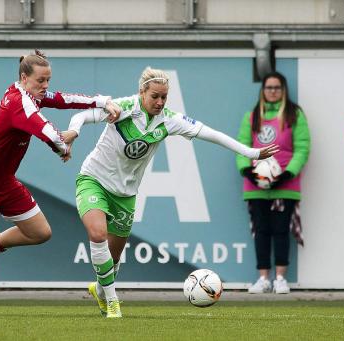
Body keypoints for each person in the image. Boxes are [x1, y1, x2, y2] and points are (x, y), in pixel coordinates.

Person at [63, 66, 279, 318]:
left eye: (164, 97)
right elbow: (84, 116)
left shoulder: (168, 119)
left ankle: (100, 290)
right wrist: (73, 133)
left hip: (126, 193)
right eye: (155, 96)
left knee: (114, 255)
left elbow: (210, 133)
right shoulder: (123, 107)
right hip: (94, 179)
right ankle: (112, 301)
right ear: (142, 92)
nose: (160, 101)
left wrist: (250, 152)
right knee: (98, 233)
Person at [0, 50, 121, 316]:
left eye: (48, 80)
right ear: (24, 78)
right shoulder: (18, 103)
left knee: (40, 232)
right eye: (41, 81)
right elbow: (44, 129)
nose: (46, 87)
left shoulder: (31, 95)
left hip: (4, 183)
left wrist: (103, 102)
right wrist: (62, 146)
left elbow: (65, 99)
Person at [236, 72, 310, 295]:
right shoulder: (252, 117)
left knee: (280, 230)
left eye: (277, 87)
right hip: (256, 188)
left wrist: (287, 174)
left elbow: (302, 147)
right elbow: (241, 145)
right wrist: (248, 171)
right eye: (269, 87)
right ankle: (263, 278)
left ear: (283, 89)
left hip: (284, 186)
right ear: (263, 90)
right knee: (261, 231)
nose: (273, 91)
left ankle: (280, 278)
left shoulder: (294, 114)